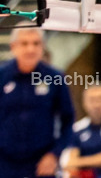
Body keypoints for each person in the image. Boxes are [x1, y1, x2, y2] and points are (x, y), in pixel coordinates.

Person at [0, 28, 76, 178]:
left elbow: (68, 119)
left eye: (36, 43)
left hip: (42, 163)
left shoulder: (55, 77)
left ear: (43, 47)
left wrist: (54, 154)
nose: (31, 49)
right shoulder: (2, 76)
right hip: (5, 162)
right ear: (13, 47)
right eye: (25, 43)